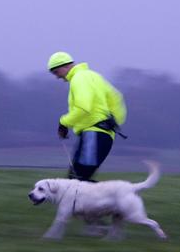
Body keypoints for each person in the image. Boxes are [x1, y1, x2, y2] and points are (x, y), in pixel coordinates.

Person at [47, 51, 127, 181]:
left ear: (65, 66)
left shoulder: (79, 78)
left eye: (56, 72)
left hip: (93, 135)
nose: (57, 77)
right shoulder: (94, 76)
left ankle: (115, 193)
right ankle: (110, 193)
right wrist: (114, 122)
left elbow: (83, 108)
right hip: (102, 135)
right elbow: (117, 97)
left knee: (77, 180)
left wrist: (63, 123)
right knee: (78, 180)